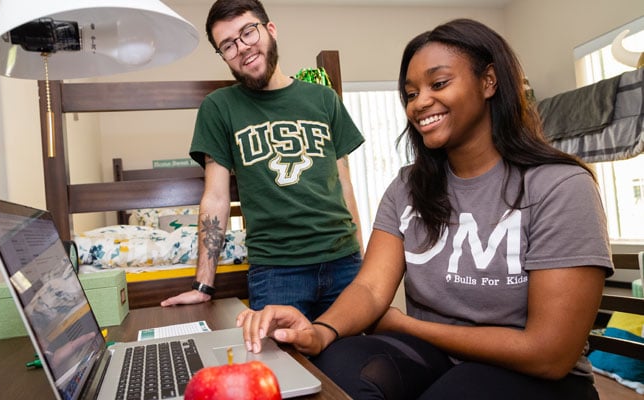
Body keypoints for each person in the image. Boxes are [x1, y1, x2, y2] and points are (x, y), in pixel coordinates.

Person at [238, 18, 613, 399]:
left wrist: (406, 326)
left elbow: (549, 354)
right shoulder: (406, 187)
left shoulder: (560, 186)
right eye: (411, 93)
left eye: (438, 84)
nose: (420, 103)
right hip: (435, 358)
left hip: (539, 375)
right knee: (335, 369)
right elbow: (369, 287)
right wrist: (320, 331)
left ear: (489, 81)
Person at [160, 0, 365, 321]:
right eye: (228, 45)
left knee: (353, 364)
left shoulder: (323, 98)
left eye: (247, 33)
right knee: (280, 369)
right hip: (277, 273)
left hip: (344, 263)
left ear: (270, 30)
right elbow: (215, 197)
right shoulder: (218, 108)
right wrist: (203, 284)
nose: (241, 48)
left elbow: (344, 183)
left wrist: (362, 265)